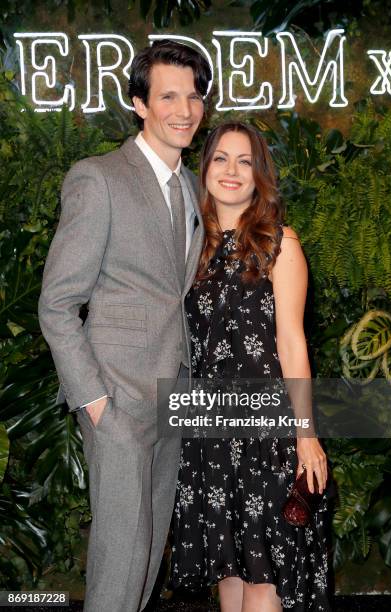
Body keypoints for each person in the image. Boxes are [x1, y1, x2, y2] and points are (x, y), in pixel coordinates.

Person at [38, 40, 211, 612]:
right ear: (139, 102)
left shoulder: (190, 187)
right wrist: (95, 403)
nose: (184, 110)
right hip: (118, 400)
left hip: (173, 400)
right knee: (118, 566)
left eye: (193, 96)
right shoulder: (100, 177)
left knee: (146, 562)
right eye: (168, 96)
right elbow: (58, 304)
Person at [171, 122, 331, 611]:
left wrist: (306, 435)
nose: (232, 171)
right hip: (209, 433)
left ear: (259, 174)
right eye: (221, 158)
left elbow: (291, 342)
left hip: (266, 432)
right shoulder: (188, 249)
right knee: (230, 572)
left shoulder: (280, 244)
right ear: (204, 170)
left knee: (265, 575)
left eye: (245, 161)